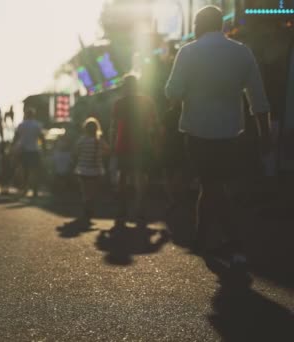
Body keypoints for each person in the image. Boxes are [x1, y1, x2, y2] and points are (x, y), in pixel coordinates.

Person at [165, 5, 271, 269]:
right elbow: (258, 98)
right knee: (214, 184)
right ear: (222, 25)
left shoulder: (188, 52)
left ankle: (234, 243)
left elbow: (172, 92)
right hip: (230, 133)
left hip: (197, 131)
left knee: (211, 185)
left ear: (198, 26)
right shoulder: (242, 52)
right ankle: (202, 239)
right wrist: (264, 133)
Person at [110, 75, 162, 225]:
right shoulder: (146, 101)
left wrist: (112, 144)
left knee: (123, 177)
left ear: (125, 86)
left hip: (123, 144)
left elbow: (113, 126)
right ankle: (139, 209)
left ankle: (122, 209)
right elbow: (155, 125)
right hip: (142, 144)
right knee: (140, 177)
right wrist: (156, 143)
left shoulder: (119, 103)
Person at [74, 117, 110, 222]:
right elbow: (108, 150)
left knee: (85, 191)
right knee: (93, 191)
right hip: (95, 170)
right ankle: (91, 208)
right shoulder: (99, 141)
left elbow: (76, 151)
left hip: (82, 169)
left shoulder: (82, 140)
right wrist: (100, 154)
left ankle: (86, 208)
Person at [13, 108, 46, 198]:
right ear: (33, 115)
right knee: (35, 171)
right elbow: (42, 138)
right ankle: (35, 190)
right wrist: (44, 149)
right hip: (34, 150)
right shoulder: (37, 125)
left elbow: (16, 137)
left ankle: (25, 189)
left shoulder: (21, 125)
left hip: (23, 151)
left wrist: (13, 148)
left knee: (25, 171)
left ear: (25, 114)